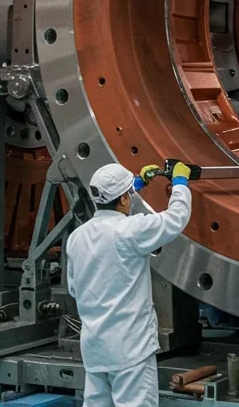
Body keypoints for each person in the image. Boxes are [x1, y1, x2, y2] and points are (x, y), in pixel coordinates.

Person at [66, 161, 193, 407]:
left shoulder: (76, 238)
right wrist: (180, 184)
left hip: (95, 349)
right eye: (128, 195)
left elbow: (73, 289)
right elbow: (176, 218)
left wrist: (136, 186)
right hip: (130, 350)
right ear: (124, 199)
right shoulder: (131, 231)